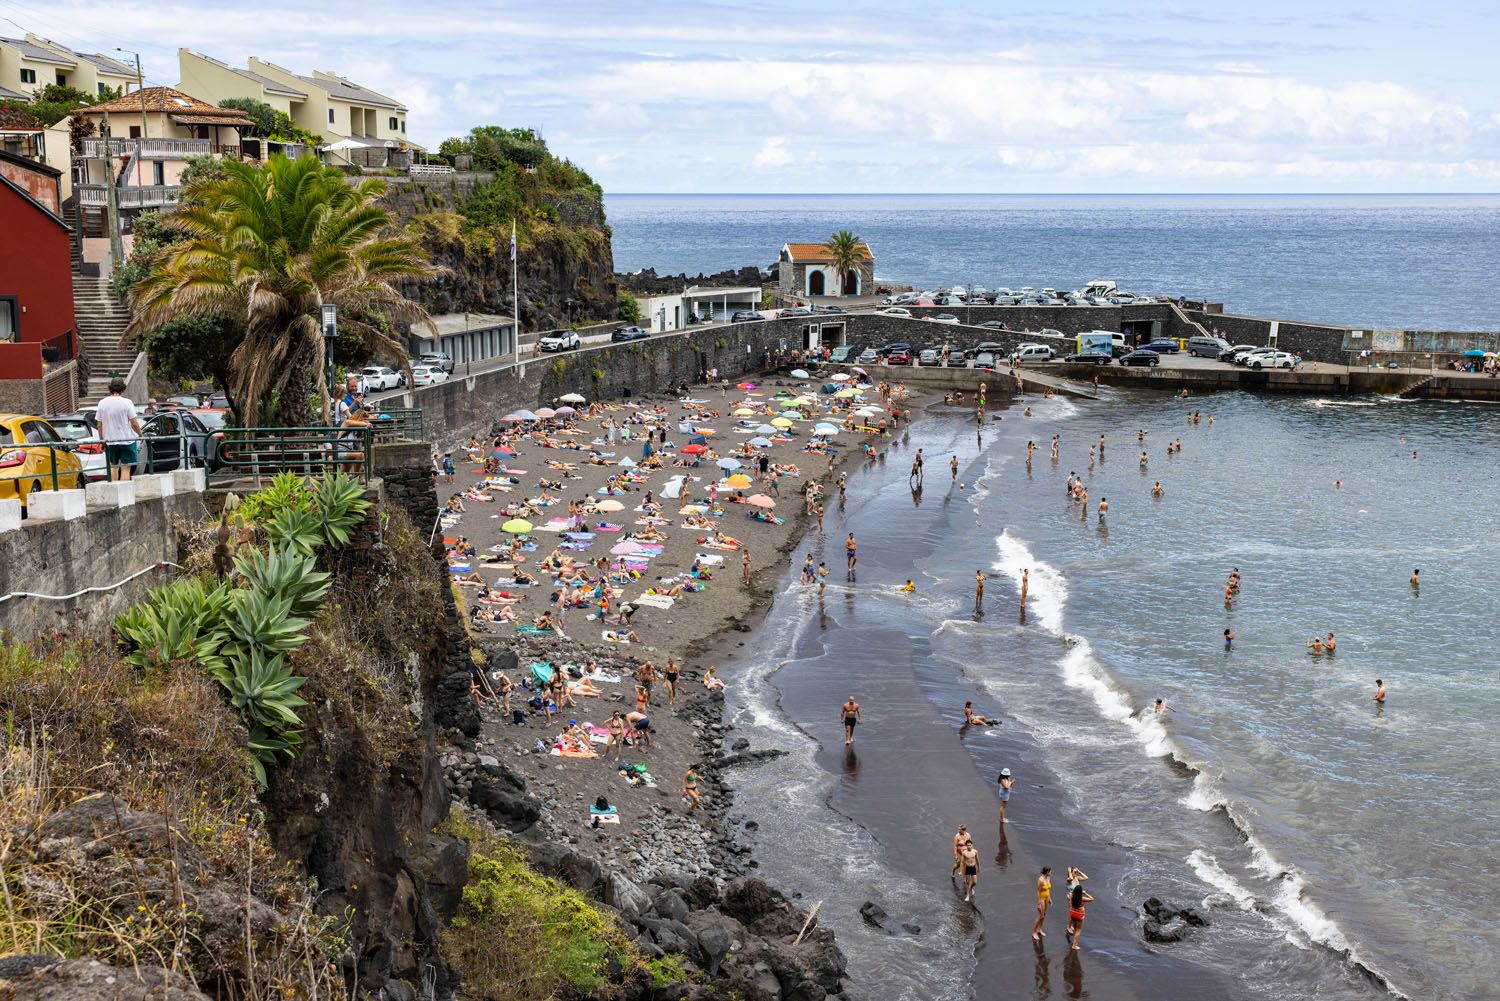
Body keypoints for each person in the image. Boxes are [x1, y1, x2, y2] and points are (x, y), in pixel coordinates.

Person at [97, 378, 143, 481]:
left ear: (110, 388)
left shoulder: (102, 403)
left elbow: (99, 425)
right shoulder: (127, 402)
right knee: (126, 468)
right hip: (127, 441)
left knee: (113, 467)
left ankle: (115, 492)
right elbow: (134, 423)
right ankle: (124, 493)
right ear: (123, 388)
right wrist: (140, 434)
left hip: (110, 441)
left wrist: (102, 439)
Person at [1065, 868, 1092, 950]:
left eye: (1076, 872)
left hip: (1075, 898)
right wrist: (1070, 871)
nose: (1076, 873)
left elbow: (1086, 877)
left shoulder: (1076, 878)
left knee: (1072, 913)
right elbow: (1070, 878)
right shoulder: (1069, 880)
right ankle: (1069, 927)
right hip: (1072, 898)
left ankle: (1070, 926)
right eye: (1075, 872)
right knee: (1073, 915)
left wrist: (1079, 871)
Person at [1033, 866, 1053, 941]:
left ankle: (1039, 929)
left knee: (1044, 915)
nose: (1051, 873)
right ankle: (1034, 932)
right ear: (1047, 872)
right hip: (1041, 898)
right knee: (1040, 916)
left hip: (1047, 898)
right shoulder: (1040, 880)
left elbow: (1048, 889)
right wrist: (1038, 903)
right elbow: (1038, 891)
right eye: (1050, 871)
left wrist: (1050, 898)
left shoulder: (1048, 877)